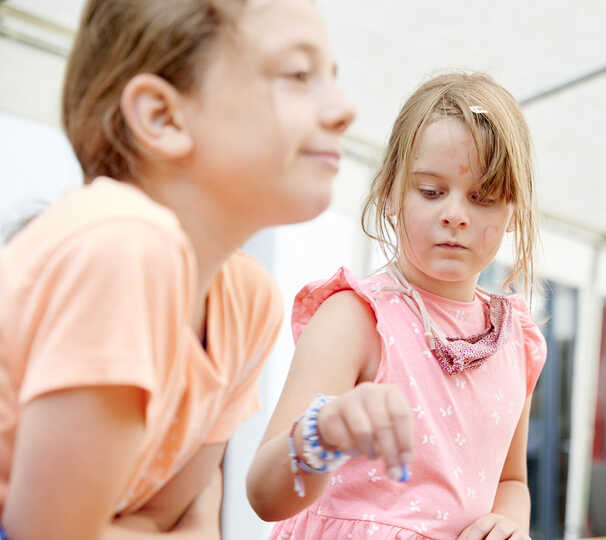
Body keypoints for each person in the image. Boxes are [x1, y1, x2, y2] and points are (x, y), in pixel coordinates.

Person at [0, 0, 355, 538]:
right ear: (162, 117)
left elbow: (164, 517)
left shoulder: (249, 300)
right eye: (298, 75)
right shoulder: (123, 244)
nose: (344, 110)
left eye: (332, 77)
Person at [246, 72, 546, 540]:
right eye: (430, 191)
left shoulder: (517, 341)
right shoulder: (356, 318)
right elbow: (265, 496)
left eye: (482, 197)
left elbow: (511, 481)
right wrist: (320, 434)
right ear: (388, 192)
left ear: (513, 211)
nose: (455, 213)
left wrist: (508, 523)